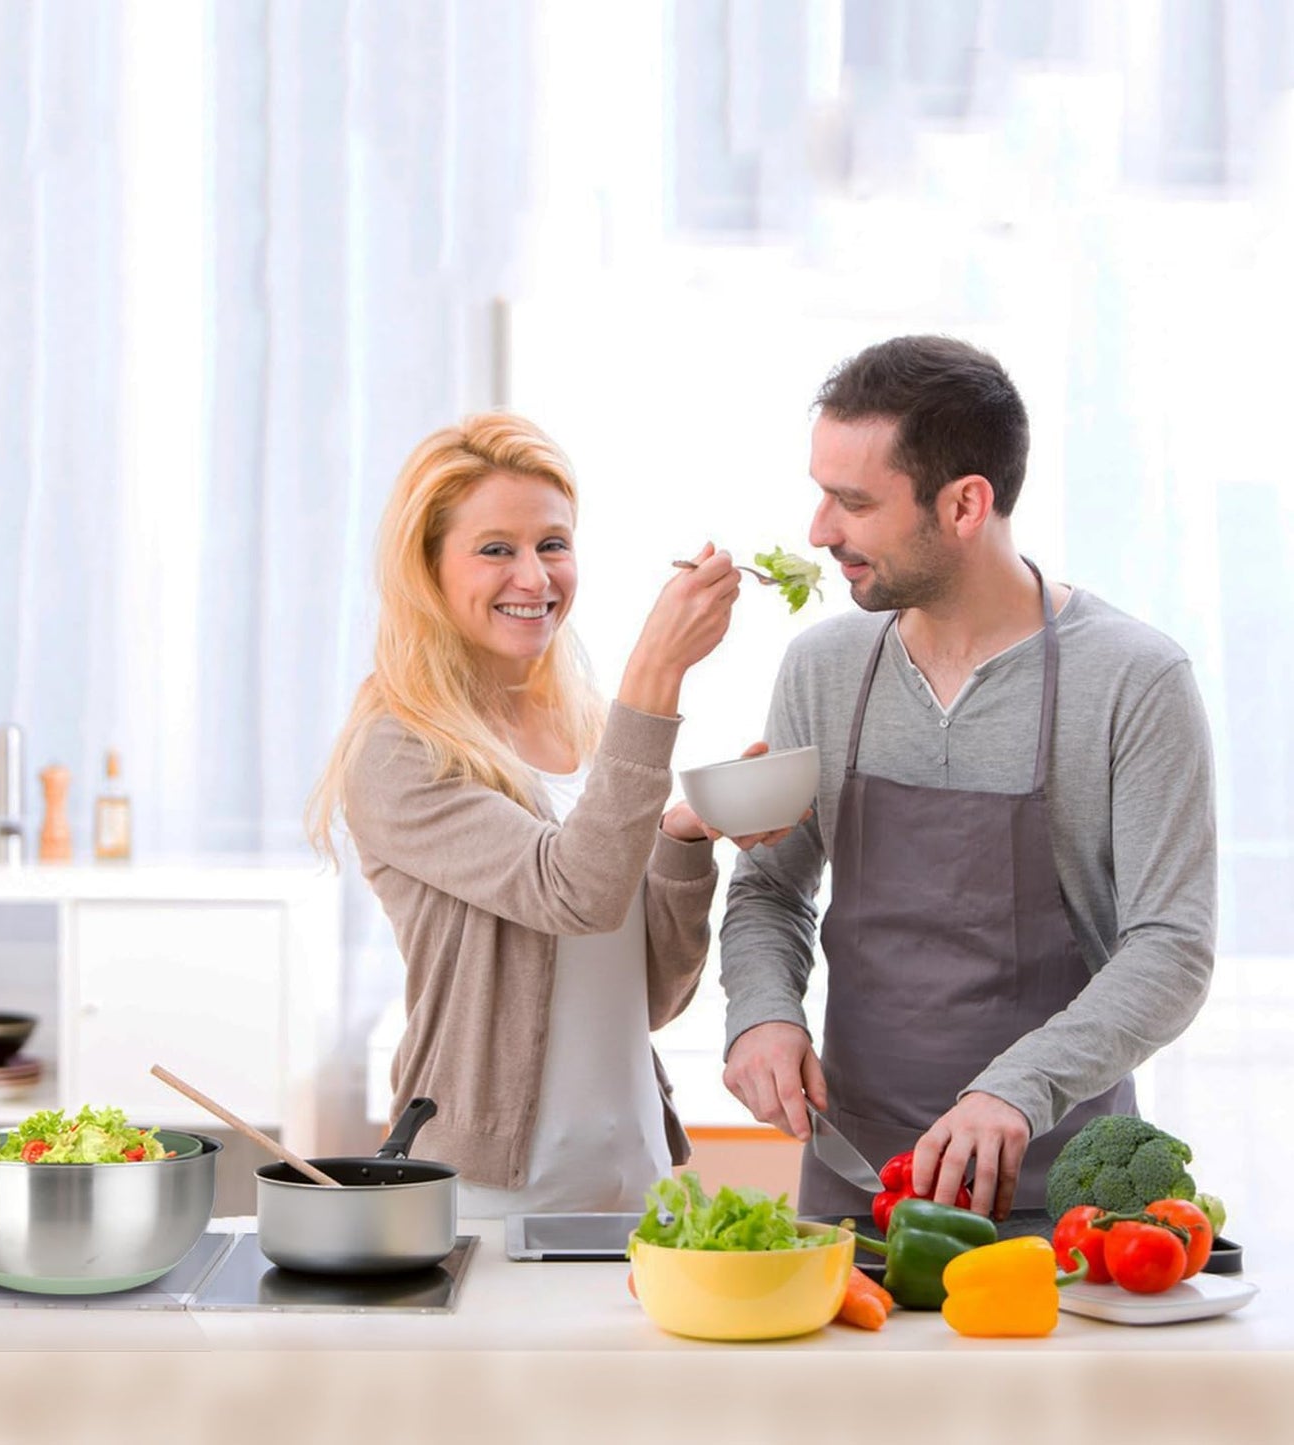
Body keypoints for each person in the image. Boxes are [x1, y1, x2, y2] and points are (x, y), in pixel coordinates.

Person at [720, 335, 1217, 1220]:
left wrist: (1017, 1088)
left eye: (852, 501)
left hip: (1067, 1189)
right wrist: (762, 1010)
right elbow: (769, 888)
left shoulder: (1134, 681)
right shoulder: (822, 667)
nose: (818, 530)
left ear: (964, 505)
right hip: (858, 1179)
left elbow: (1171, 948)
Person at [308, 411, 749, 1217]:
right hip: (491, 1189)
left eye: (552, 543)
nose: (534, 577)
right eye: (494, 549)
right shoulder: (399, 750)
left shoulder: (585, 728)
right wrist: (655, 671)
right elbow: (571, 890)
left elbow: (647, 997)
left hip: (636, 1170)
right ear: (427, 569)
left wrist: (681, 842)